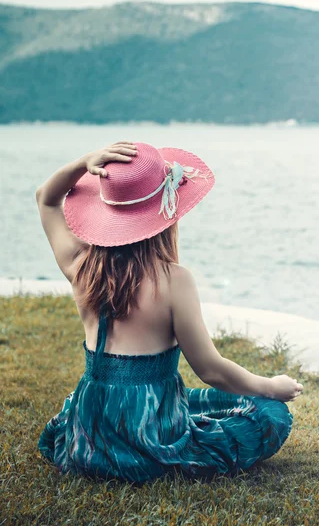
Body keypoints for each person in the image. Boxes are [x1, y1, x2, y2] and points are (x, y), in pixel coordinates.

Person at [35, 140, 303, 483]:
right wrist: (270, 386)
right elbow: (211, 370)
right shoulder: (173, 280)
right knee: (270, 413)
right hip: (150, 433)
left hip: (90, 434)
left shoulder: (80, 266)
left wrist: (83, 163)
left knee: (194, 399)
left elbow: (46, 197)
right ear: (165, 218)